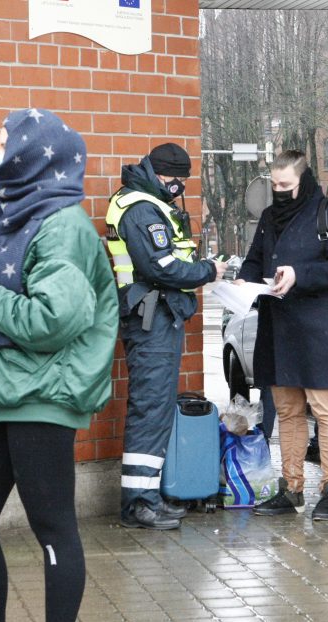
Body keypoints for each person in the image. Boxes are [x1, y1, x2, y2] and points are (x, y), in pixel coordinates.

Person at [0, 108, 118, 622]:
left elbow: (55, 320)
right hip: (5, 391)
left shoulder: (62, 225)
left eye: (3, 142)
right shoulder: (17, 213)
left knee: (53, 529)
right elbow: (12, 292)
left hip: (43, 394)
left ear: (31, 155)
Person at [105, 143, 227, 530]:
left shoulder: (146, 202)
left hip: (157, 315)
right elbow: (163, 267)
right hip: (150, 316)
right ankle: (138, 504)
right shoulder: (142, 208)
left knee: (155, 410)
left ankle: (148, 497)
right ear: (162, 174)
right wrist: (210, 271)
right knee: (150, 409)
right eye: (178, 180)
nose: (180, 187)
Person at [235, 150, 328, 521]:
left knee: (326, 410)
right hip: (278, 328)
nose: (278, 191)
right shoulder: (271, 217)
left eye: (286, 185)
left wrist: (299, 275)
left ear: (303, 181)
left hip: (319, 328)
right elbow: (255, 258)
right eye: (274, 185)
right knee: (288, 411)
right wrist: (245, 277)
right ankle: (292, 490)